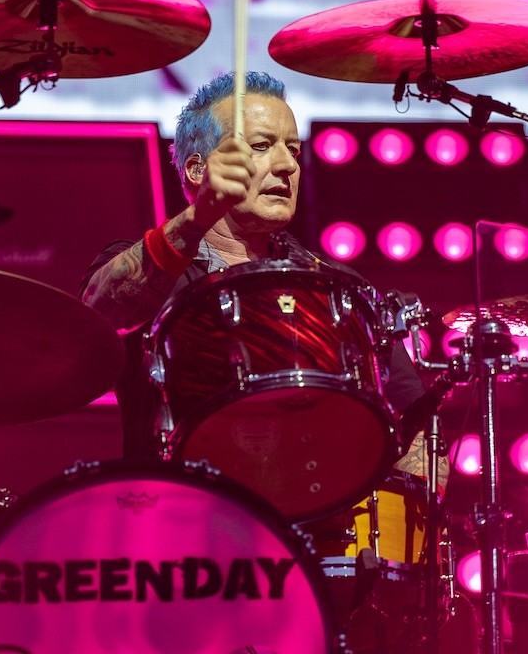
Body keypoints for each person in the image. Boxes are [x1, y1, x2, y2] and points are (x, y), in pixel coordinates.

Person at [79, 70, 434, 477]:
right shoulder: (146, 265)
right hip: (179, 523)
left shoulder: (334, 285)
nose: (287, 165)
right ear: (198, 170)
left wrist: (399, 519)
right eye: (262, 146)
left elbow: (419, 425)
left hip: (318, 531)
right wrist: (197, 218)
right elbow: (99, 313)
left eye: (294, 150)